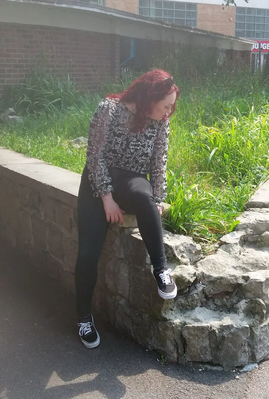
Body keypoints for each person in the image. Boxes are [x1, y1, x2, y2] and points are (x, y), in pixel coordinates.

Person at [74, 69, 180, 348]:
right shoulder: (108, 109)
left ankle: (161, 270)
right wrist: (106, 197)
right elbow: (94, 156)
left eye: (172, 107)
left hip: (132, 179)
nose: (169, 111)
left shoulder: (160, 123)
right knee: (87, 254)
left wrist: (157, 199)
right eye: (166, 105)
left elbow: (159, 163)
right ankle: (83, 317)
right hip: (98, 180)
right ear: (150, 98)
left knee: (146, 200)